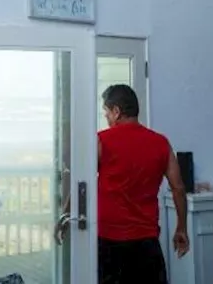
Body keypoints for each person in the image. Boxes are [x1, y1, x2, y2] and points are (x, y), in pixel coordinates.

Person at [56, 84, 189, 284]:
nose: (107, 119)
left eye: (106, 113)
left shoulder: (101, 140)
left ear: (117, 112)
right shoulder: (161, 143)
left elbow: (81, 183)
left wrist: (66, 214)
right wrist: (181, 228)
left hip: (110, 242)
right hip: (147, 243)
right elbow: (178, 188)